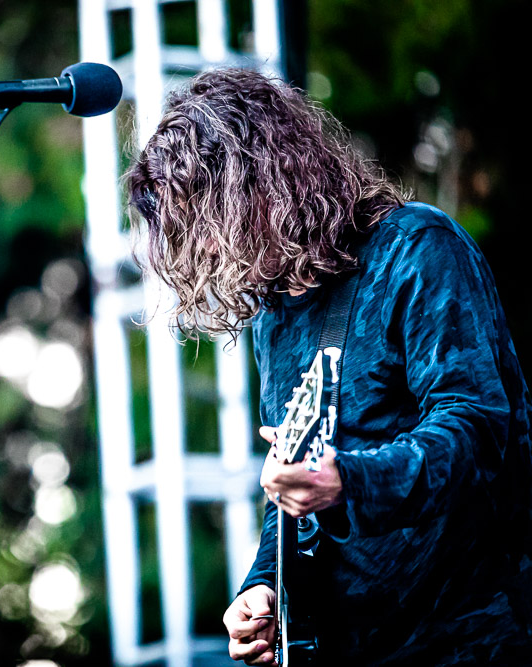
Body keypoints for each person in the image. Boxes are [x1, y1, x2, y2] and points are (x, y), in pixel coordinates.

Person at [126, 68, 532, 666]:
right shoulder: (275, 316)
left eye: (207, 220)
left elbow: (477, 429)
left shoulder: (416, 247)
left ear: (258, 186)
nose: (206, 249)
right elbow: (293, 490)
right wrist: (263, 587)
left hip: (470, 637)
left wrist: (350, 482)